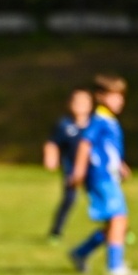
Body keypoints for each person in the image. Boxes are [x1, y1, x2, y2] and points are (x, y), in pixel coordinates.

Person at [67, 74, 137, 275]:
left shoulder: (109, 120)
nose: (120, 101)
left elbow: (107, 148)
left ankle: (80, 253)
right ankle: (115, 267)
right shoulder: (99, 120)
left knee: (116, 224)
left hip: (109, 177)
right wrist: (79, 171)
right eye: (114, 96)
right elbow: (85, 144)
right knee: (118, 219)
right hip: (100, 178)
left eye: (121, 96)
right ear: (100, 96)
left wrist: (120, 165)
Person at [43, 89, 93, 239]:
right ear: (69, 104)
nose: (80, 105)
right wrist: (51, 157)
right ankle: (56, 232)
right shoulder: (64, 125)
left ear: (90, 105)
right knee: (69, 199)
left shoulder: (95, 124)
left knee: (105, 200)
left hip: (93, 169)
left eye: (84, 102)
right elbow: (52, 143)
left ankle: (120, 231)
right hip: (71, 169)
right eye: (76, 102)